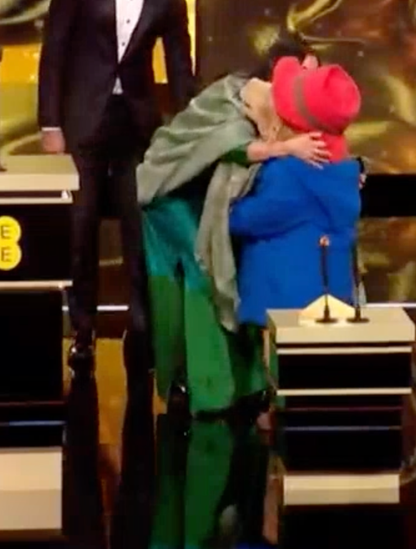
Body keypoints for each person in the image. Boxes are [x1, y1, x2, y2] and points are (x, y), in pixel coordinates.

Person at [37, 0, 197, 374]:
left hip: (135, 125)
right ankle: (82, 328)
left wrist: (188, 127)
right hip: (82, 121)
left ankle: (142, 326)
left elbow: (180, 64)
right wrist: (50, 123)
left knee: (137, 227)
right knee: (80, 228)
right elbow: (54, 52)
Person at [136, 34, 329, 417]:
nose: (311, 79)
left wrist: (352, 168)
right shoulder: (237, 93)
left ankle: (246, 382)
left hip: (209, 195)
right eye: (305, 69)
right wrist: (285, 148)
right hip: (170, 191)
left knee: (236, 267)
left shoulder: (290, 106)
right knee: (203, 269)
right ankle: (206, 388)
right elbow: (228, 145)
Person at [230, 58, 363, 328]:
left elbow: (247, 220)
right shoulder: (345, 172)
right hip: (329, 303)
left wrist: (228, 205)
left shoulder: (291, 174)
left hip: (284, 311)